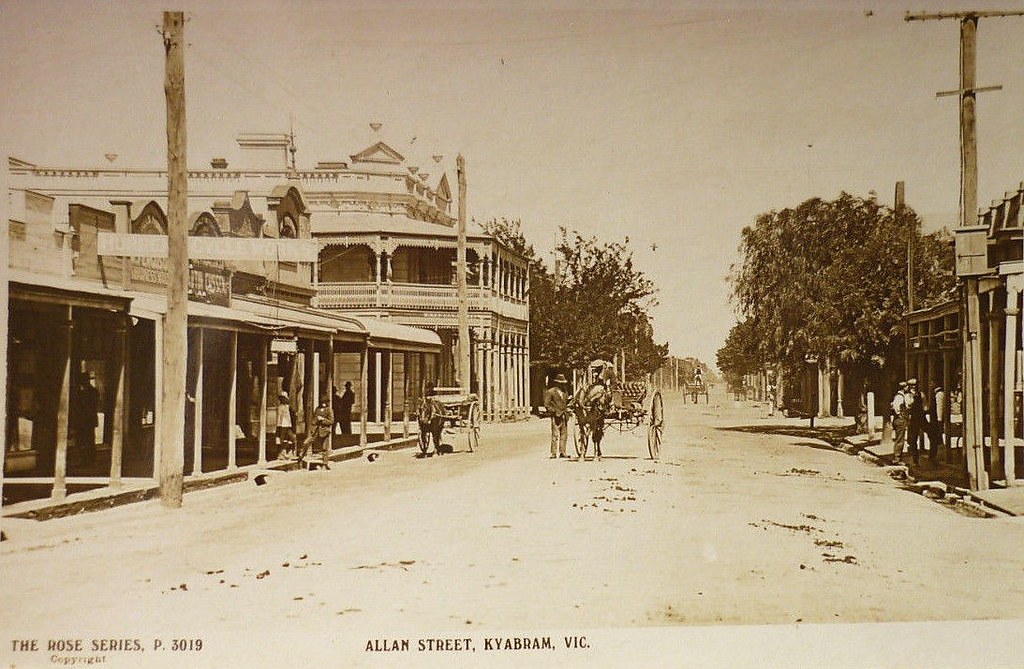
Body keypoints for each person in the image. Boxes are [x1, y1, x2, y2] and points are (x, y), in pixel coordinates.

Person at [74, 371, 100, 466]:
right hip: (85, 420)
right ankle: (85, 460)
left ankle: (90, 460)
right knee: (84, 440)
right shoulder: (86, 392)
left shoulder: (91, 392)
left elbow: (90, 406)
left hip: (87, 420)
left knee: (88, 440)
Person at [544, 373, 570, 459]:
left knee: (564, 434)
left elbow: (566, 403)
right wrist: (554, 411)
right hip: (555, 416)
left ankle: (562, 452)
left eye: (563, 383)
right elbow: (547, 404)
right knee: (555, 434)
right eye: (561, 383)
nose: (562, 385)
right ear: (557, 383)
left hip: (564, 415)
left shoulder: (565, 392)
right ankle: (553, 453)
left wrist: (568, 409)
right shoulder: (551, 392)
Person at [305, 397, 334, 469]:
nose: (323, 404)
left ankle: (325, 464)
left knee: (325, 448)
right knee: (306, 442)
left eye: (325, 402)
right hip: (316, 430)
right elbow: (313, 420)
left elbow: (331, 421)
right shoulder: (317, 409)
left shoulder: (329, 410)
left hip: (325, 431)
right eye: (322, 402)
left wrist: (323, 419)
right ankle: (301, 457)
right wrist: (315, 421)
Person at [906, 379, 925, 466]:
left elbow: (925, 405)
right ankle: (915, 459)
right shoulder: (908, 395)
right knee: (913, 440)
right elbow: (908, 406)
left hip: (920, 417)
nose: (913, 387)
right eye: (911, 385)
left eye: (915, 385)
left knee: (931, 433)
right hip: (912, 419)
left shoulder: (921, 394)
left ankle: (932, 455)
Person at [890, 381, 909, 465]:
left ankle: (898, 458)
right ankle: (897, 459)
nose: (907, 388)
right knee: (900, 440)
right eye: (906, 387)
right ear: (903, 388)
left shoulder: (901, 396)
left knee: (900, 439)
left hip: (900, 419)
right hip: (899, 420)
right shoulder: (899, 396)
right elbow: (896, 407)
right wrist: (900, 415)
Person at [276, 391, 296, 459]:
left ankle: (289, 452)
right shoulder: (280, 407)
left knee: (291, 438)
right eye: (282, 398)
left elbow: (292, 413)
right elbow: (279, 417)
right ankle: (282, 453)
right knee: (282, 439)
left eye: (284, 398)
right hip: (282, 425)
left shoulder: (288, 406)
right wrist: (278, 426)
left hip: (288, 424)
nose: (283, 400)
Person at [927, 386, 944, 463]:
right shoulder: (936, 393)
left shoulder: (939, 394)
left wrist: (939, 419)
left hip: (936, 420)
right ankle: (933, 455)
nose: (930, 385)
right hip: (934, 419)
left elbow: (939, 407)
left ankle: (934, 455)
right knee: (933, 437)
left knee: (935, 437)